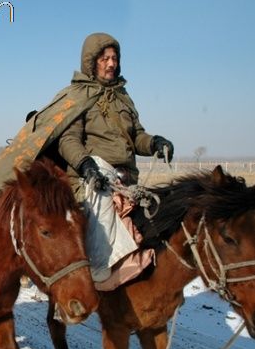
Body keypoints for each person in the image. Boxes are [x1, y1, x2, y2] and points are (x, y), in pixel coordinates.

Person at [53, 32, 174, 282]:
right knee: (100, 172)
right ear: (91, 61)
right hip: (91, 178)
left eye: (114, 58)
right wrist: (86, 165)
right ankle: (99, 265)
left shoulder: (123, 97)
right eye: (104, 58)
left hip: (127, 180)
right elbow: (68, 140)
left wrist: (154, 143)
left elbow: (137, 135)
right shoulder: (77, 96)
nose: (111, 64)